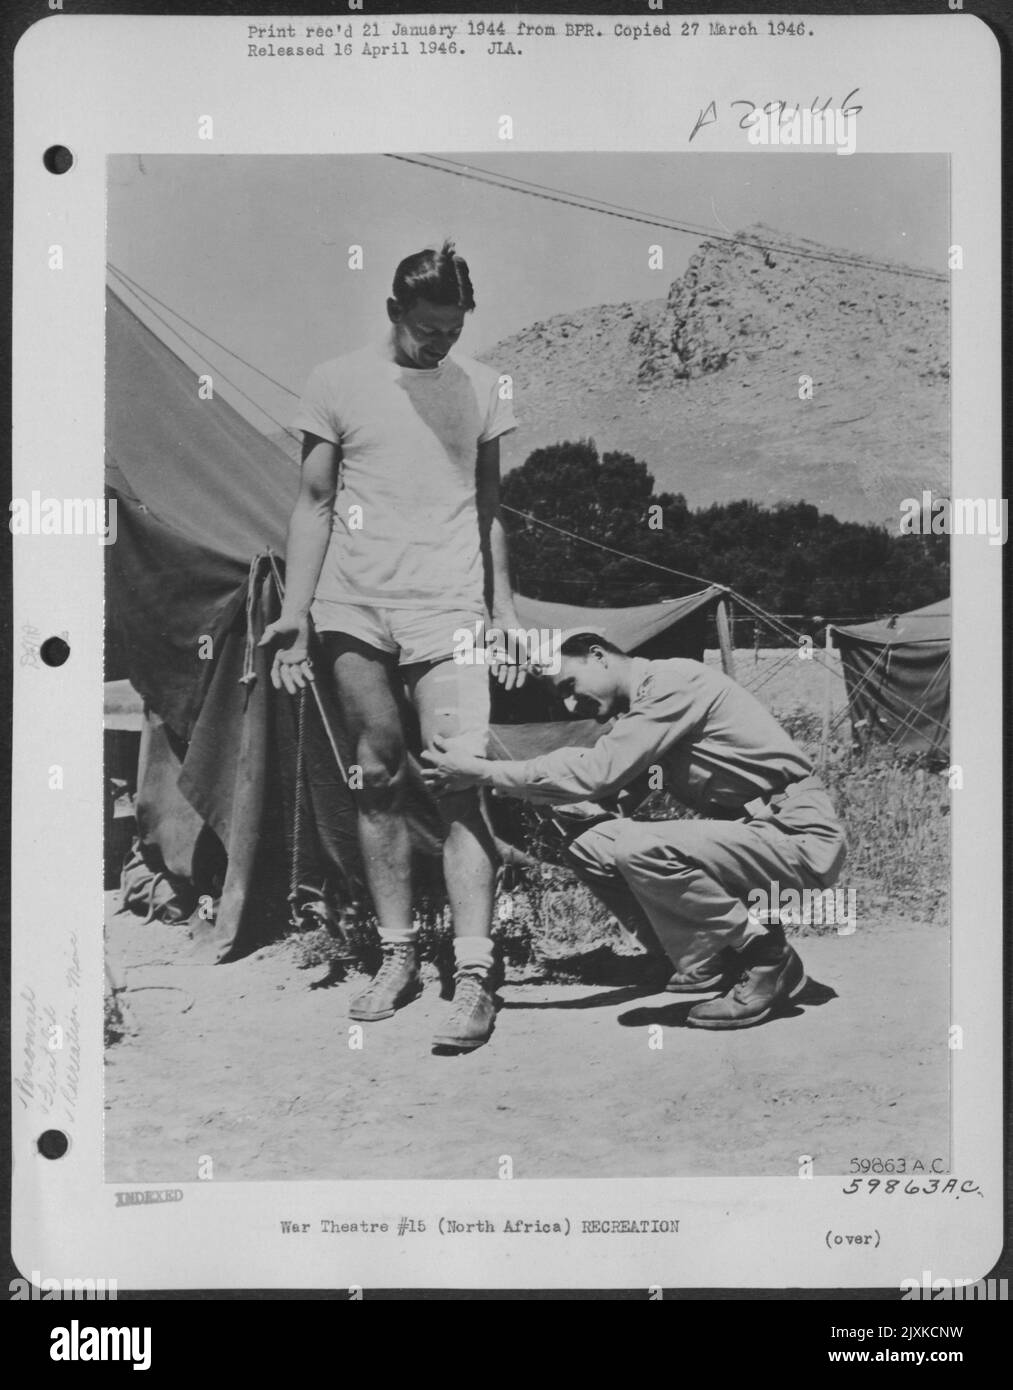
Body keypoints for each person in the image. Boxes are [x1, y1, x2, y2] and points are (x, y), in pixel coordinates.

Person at [260, 240, 525, 1051]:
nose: (439, 342)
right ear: (393, 312)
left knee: (461, 779)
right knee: (375, 779)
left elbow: (489, 507)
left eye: (451, 329)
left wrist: (504, 609)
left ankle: (475, 974)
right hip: (354, 608)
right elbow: (313, 504)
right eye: (426, 330)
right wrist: (294, 615)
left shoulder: (483, 388)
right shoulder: (337, 380)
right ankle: (398, 954)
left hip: (448, 607)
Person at [422, 633, 848, 1030]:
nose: (571, 707)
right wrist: (564, 806)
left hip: (798, 835)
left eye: (570, 685)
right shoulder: (643, 709)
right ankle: (702, 956)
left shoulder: (671, 683)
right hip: (751, 835)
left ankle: (767, 956)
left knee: (634, 845)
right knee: (592, 845)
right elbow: (623, 789)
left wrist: (482, 772)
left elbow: (598, 771)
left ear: (598, 656)